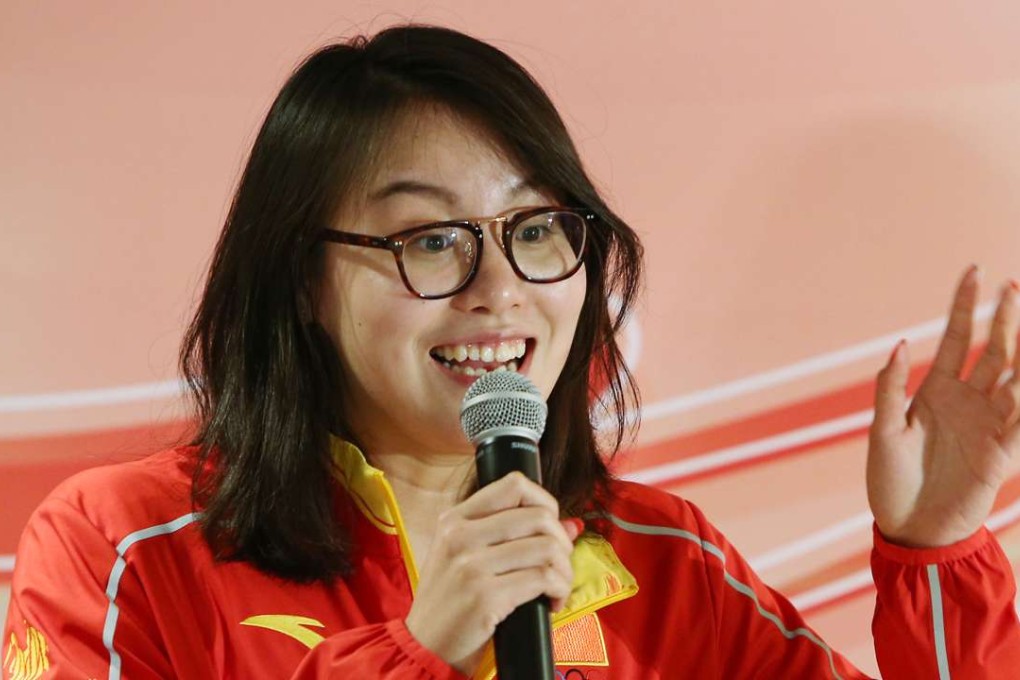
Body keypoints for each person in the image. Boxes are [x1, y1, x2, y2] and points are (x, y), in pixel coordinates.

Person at [4, 24, 1020, 680]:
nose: (503, 287)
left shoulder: (671, 561)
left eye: (536, 229)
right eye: (431, 239)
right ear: (304, 280)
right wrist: (418, 650)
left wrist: (938, 553)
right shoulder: (125, 542)